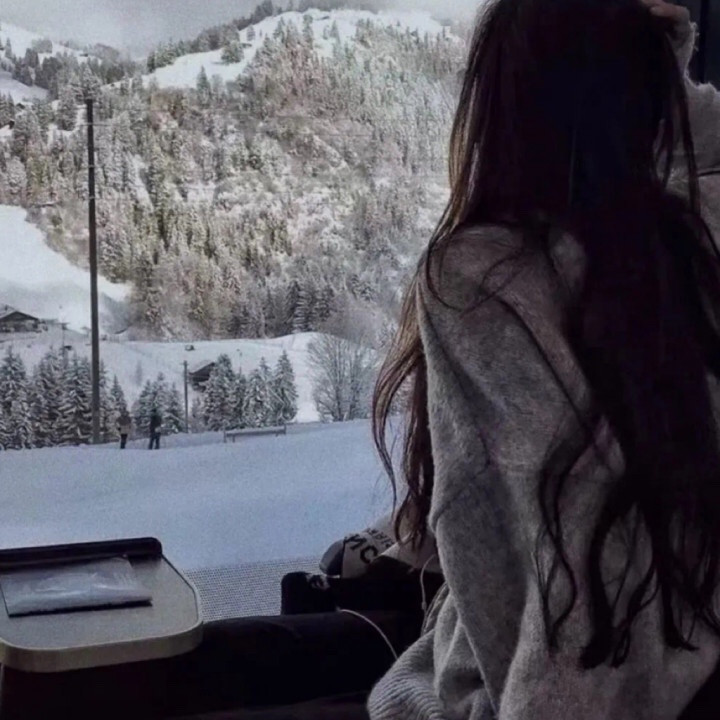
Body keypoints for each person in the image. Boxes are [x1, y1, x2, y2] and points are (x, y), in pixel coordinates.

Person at [370, 1, 720, 719]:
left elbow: (514, 549)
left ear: (499, 103)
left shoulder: (477, 280)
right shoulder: (696, 242)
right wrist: (652, 62)